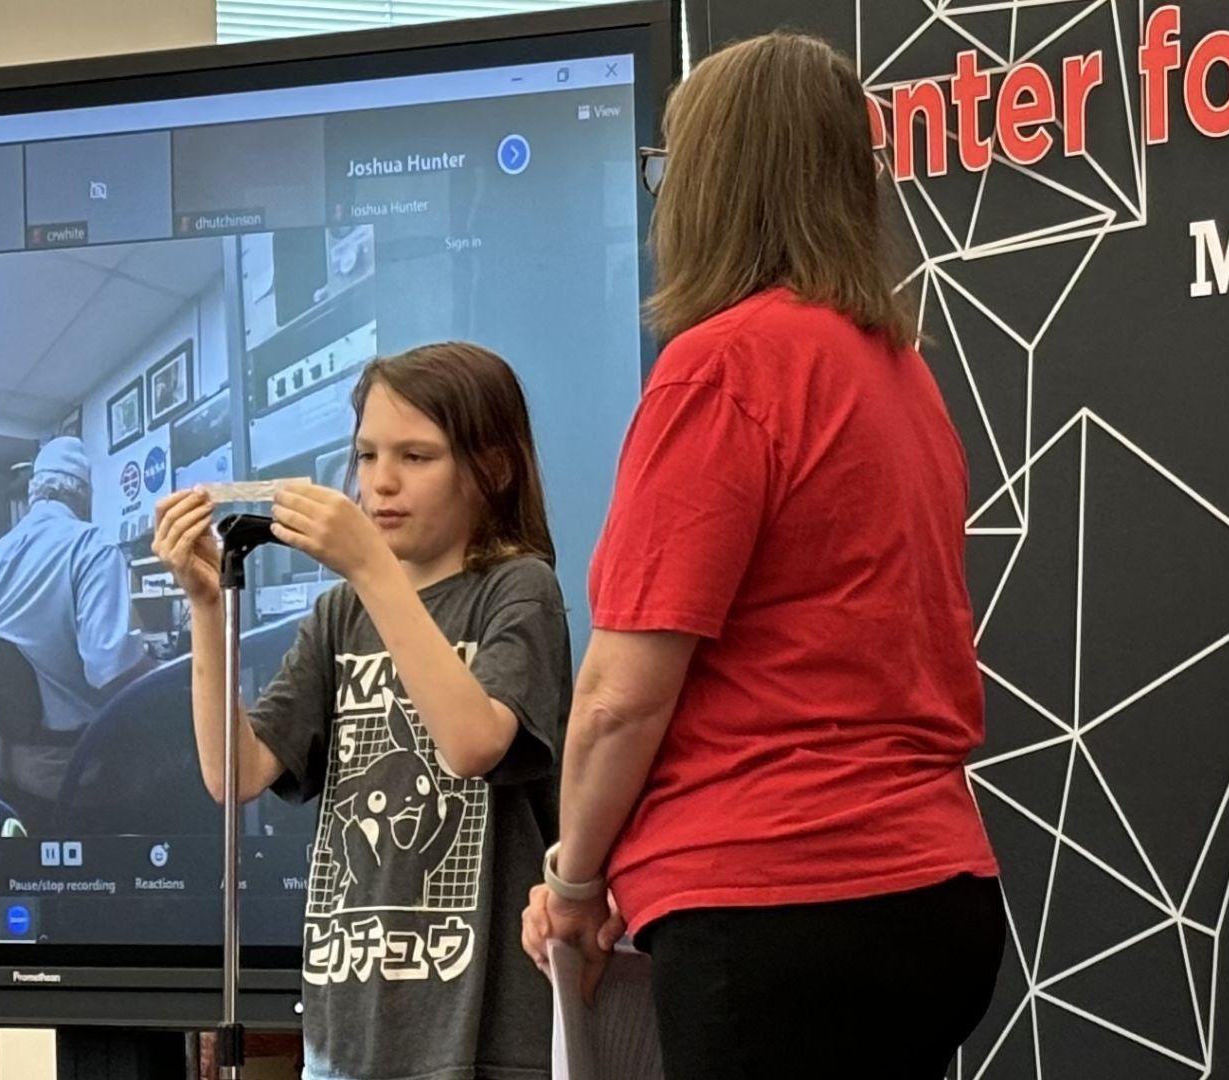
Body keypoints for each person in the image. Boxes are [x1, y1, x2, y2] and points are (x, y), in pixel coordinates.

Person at [520, 32, 1005, 1080]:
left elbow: (620, 697)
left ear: (706, 182)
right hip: (937, 900)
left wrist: (572, 881)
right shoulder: (900, 376)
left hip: (774, 908)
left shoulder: (722, 368)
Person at [154, 343, 569, 1080]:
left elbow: (475, 743)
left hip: (486, 1031)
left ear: (493, 468)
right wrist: (206, 607)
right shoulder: (341, 611)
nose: (380, 482)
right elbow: (234, 772)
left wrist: (372, 568)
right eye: (368, 454)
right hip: (348, 1030)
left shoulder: (517, 589)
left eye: (416, 456)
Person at [0, 436, 147, 823]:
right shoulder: (91, 546)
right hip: (69, 765)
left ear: (35, 492)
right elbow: (111, 671)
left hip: (4, 761)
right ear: (83, 496)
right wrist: (160, 669)